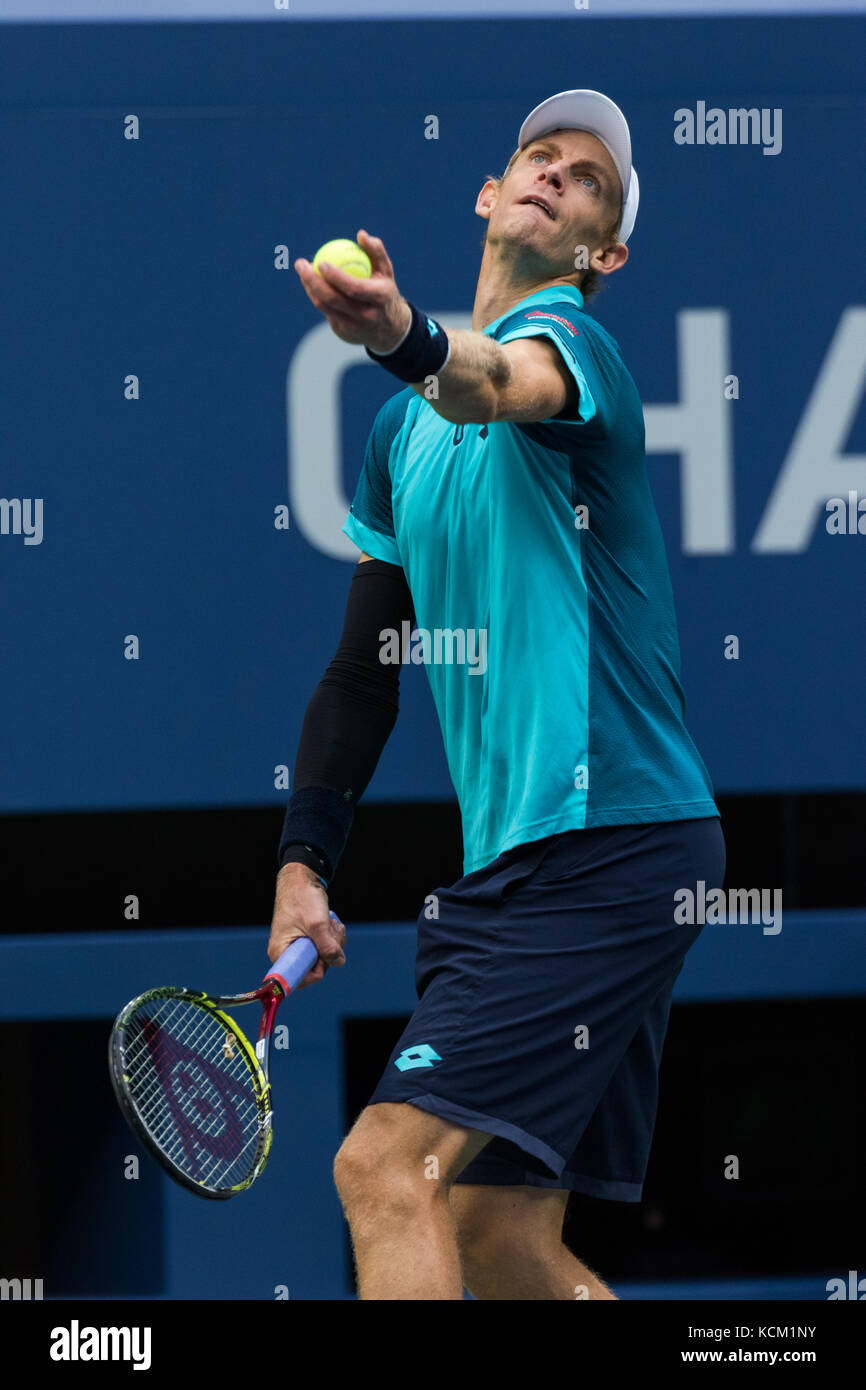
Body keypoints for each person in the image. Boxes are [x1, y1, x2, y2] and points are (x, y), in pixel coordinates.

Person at [269, 89, 725, 1300]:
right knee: (495, 1238)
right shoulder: (397, 442)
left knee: (382, 1168)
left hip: (608, 841)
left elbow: (485, 381)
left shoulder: (580, 356)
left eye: (585, 181)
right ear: (486, 192)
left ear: (601, 253)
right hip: (531, 862)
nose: (552, 175)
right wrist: (302, 860)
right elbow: (364, 671)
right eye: (536, 157)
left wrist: (397, 332)